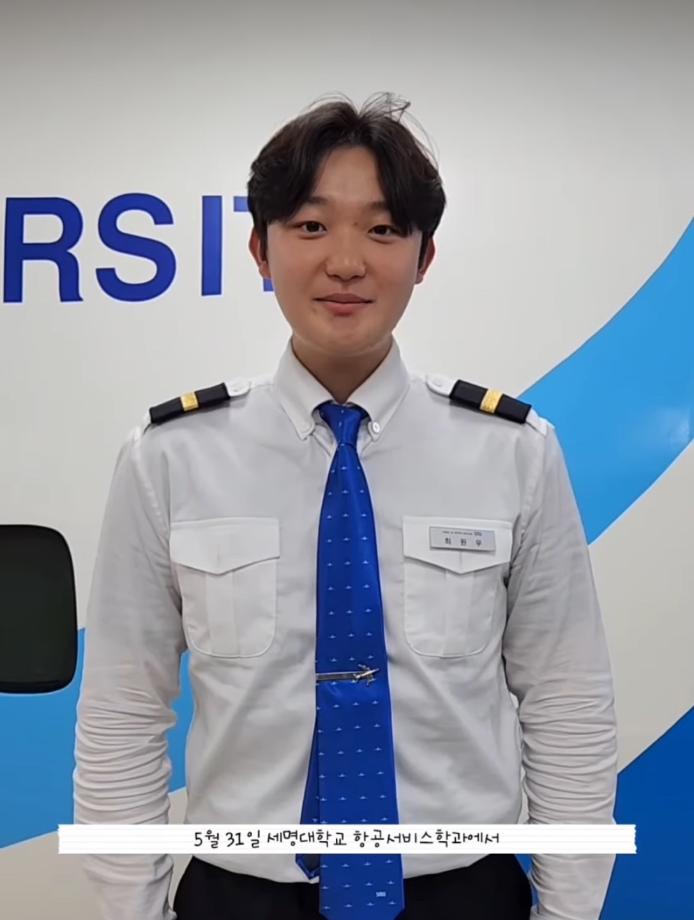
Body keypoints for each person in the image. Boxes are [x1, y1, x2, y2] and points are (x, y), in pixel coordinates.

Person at [73, 91, 618, 920]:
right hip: (242, 897)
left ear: (424, 256)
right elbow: (124, 709)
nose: (347, 261)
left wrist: (569, 910)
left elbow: (566, 701)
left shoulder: (513, 452)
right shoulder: (171, 458)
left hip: (459, 894)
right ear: (259, 248)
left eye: (384, 229)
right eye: (311, 225)